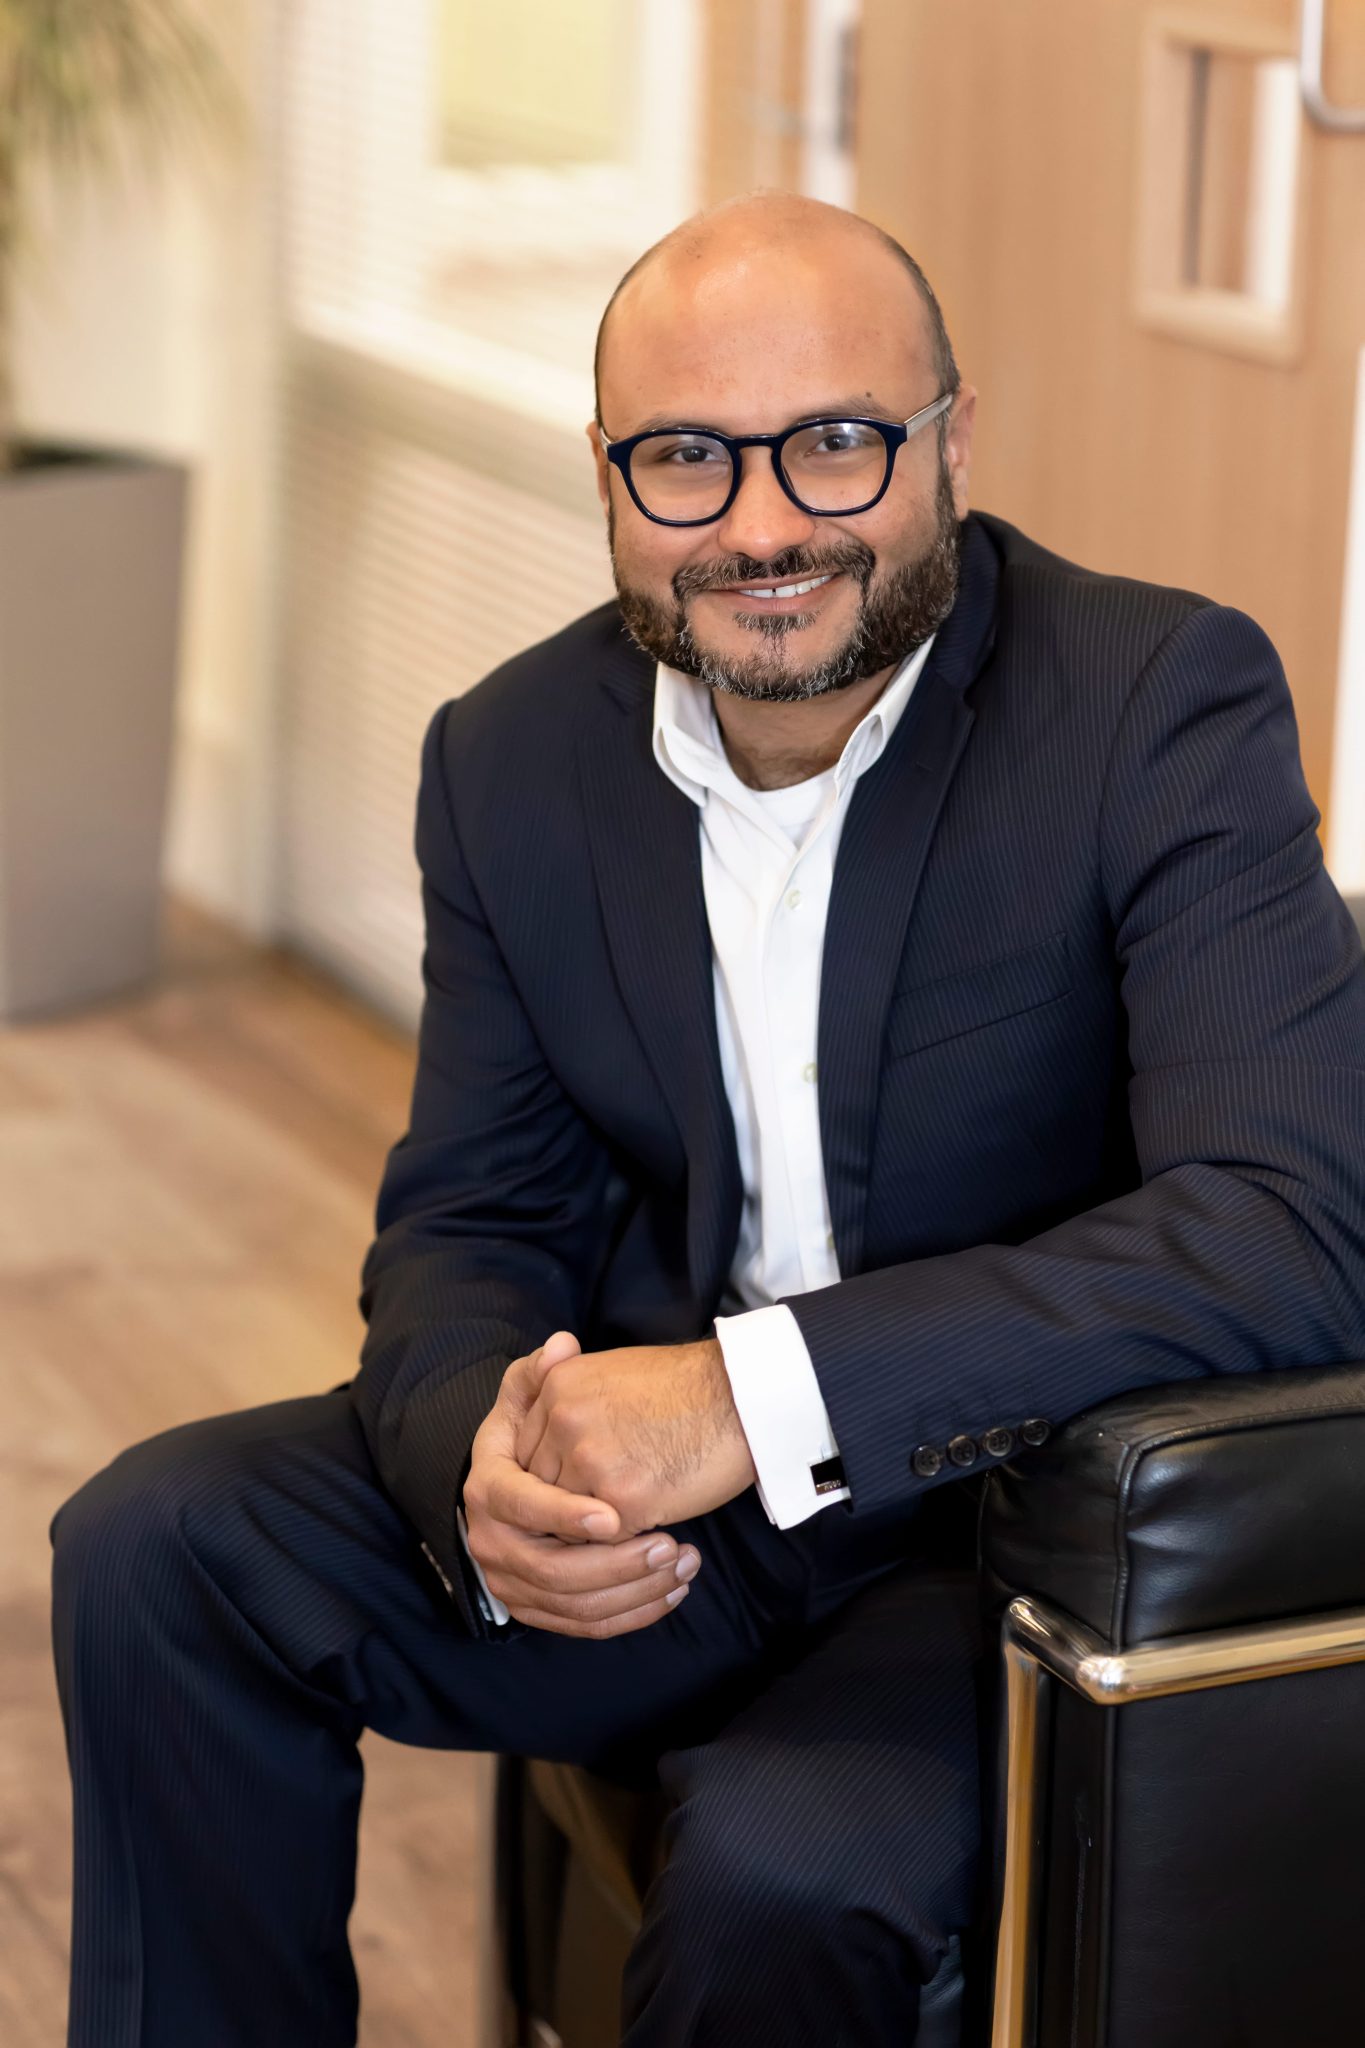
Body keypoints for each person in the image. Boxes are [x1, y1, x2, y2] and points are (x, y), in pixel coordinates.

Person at [49, 192, 1365, 2048]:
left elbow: (1290, 1229)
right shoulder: (507, 759)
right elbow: (469, 1222)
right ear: (607, 475)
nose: (759, 527)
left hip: (984, 1536)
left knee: (776, 1875)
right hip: (647, 1534)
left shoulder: (1153, 704)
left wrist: (749, 1399)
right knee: (152, 1548)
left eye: (832, 443)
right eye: (685, 457)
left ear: (951, 443)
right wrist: (478, 1475)